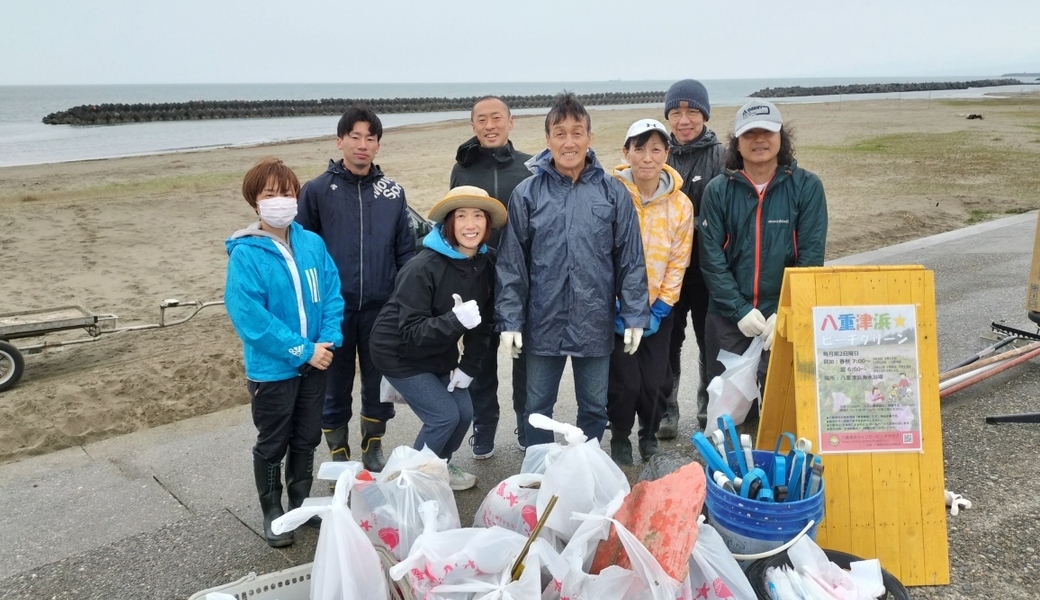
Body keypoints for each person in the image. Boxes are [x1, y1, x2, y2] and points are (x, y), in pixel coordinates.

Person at [496, 92, 650, 448]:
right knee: (536, 406)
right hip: (541, 321)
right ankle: (536, 475)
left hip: (593, 320)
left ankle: (589, 469)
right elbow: (511, 265)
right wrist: (511, 321)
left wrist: (634, 315)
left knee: (595, 407)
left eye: (577, 132)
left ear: (589, 138)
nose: (569, 142)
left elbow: (630, 259)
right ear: (547, 140)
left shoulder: (613, 193)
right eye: (560, 133)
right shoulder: (526, 194)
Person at [224, 157, 345, 547]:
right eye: (270, 194)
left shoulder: (312, 243)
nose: (281, 200)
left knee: (307, 436)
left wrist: (326, 341)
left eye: (287, 192)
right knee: (273, 441)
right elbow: (250, 318)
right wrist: (302, 350)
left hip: (317, 362)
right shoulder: (247, 253)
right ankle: (272, 509)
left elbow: (331, 293)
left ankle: (301, 500)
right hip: (273, 370)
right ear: (255, 202)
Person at [296, 105, 416, 473]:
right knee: (334, 381)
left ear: (378, 145)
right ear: (340, 140)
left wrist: (403, 301)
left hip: (382, 307)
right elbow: (304, 252)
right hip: (334, 310)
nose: (362, 145)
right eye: (355, 137)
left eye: (370, 138)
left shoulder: (392, 192)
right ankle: (337, 450)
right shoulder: (317, 191)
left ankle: (373, 443)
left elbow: (406, 251)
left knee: (378, 381)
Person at [369, 186, 505, 491]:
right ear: (449, 223)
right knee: (443, 416)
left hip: (438, 348)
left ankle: (438, 466)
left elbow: (484, 324)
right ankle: (410, 485)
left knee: (464, 413)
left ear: (487, 224)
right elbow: (410, 332)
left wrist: (469, 366)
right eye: (461, 216)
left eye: (478, 216)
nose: (470, 224)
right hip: (397, 351)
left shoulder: (486, 263)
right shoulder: (423, 267)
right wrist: (454, 320)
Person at [699, 100, 828, 408]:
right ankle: (731, 456)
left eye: (767, 132)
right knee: (730, 407)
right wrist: (738, 310)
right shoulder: (718, 191)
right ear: (737, 143)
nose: (759, 140)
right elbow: (711, 257)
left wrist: (786, 310)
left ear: (781, 137)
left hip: (782, 311)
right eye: (749, 133)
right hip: (728, 316)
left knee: (780, 403)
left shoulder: (807, 187)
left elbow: (810, 258)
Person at [449, 96, 534, 458]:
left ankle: (526, 423)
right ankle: (485, 425)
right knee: (479, 355)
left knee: (524, 355)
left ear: (510, 122)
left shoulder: (529, 165)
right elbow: (454, 221)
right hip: (477, 275)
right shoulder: (462, 169)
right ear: (473, 126)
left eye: (496, 117)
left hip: (523, 276)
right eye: (481, 119)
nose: (489, 125)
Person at [608, 119, 694, 465]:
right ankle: (620, 437)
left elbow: (678, 260)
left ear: (667, 153)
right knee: (623, 383)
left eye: (656, 149)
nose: (647, 157)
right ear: (625, 152)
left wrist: (660, 308)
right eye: (639, 148)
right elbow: (600, 253)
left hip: (658, 308)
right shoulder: (610, 193)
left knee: (656, 382)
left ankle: (649, 434)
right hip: (615, 311)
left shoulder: (680, 205)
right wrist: (613, 307)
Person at [660, 79, 726, 436]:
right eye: (676, 112)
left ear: (704, 114)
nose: (684, 120)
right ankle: (667, 409)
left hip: (707, 270)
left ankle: (707, 404)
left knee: (709, 338)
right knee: (669, 339)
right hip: (667, 271)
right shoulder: (659, 152)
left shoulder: (720, 155)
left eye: (692, 112)